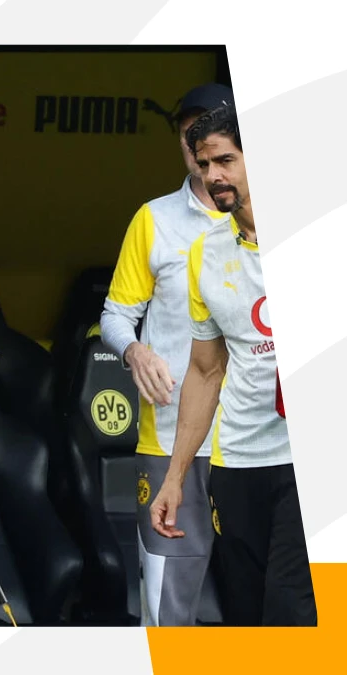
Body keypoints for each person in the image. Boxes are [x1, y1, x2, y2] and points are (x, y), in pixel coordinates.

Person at [149, 105, 317, 626]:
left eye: (225, 160)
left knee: (291, 610)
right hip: (238, 462)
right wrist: (175, 477)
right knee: (245, 616)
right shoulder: (204, 253)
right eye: (203, 165)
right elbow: (204, 372)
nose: (212, 176)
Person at [100, 83, 235, 626]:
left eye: (210, 123)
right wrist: (133, 351)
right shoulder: (154, 219)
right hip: (171, 439)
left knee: (272, 602)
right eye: (187, 124)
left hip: (259, 445)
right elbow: (114, 314)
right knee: (167, 608)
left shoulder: (265, 222)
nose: (194, 132)